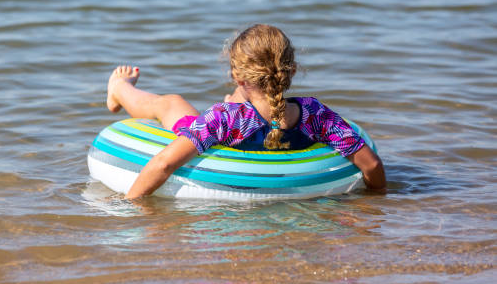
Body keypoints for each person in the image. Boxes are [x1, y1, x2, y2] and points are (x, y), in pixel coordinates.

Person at [106, 24, 386, 199]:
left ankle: (119, 87)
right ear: (292, 71)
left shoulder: (223, 118)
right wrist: (374, 200)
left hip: (233, 124)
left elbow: (163, 164)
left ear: (238, 77)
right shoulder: (315, 113)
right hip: (249, 117)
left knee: (169, 103)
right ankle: (241, 97)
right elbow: (371, 165)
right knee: (236, 106)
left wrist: (131, 206)